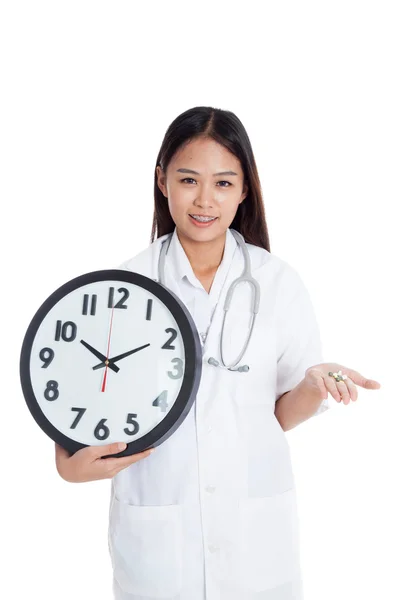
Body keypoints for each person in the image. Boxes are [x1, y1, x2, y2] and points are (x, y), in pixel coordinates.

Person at [55, 106, 381, 600]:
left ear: (246, 188)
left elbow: (274, 415)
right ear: (162, 180)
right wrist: (71, 466)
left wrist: (312, 388)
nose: (205, 200)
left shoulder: (277, 283)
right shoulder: (122, 288)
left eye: (224, 183)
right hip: (158, 547)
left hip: (255, 542)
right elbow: (77, 418)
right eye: (189, 179)